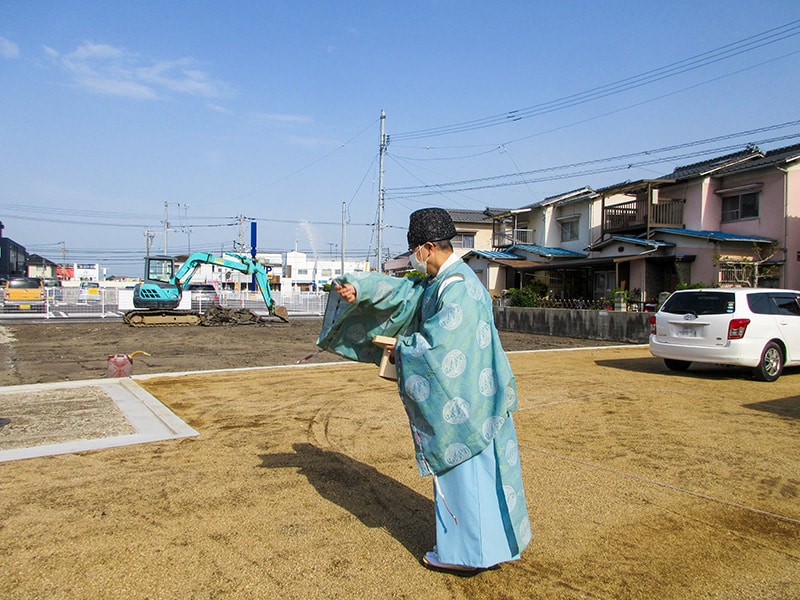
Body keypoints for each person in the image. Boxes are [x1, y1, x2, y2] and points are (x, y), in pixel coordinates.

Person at [317, 207, 530, 574]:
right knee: (484, 477)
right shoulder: (441, 282)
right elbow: (401, 292)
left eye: (415, 249)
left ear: (428, 247)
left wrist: (401, 348)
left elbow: (441, 346)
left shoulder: (458, 288)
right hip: (475, 399)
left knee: (467, 479)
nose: (413, 257)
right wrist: (359, 287)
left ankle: (465, 555)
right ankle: (491, 548)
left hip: (467, 405)